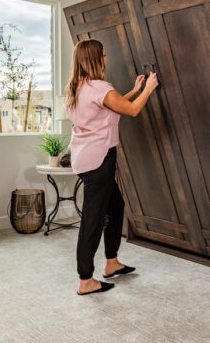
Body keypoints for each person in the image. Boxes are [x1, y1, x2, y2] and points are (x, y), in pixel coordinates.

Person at [64, 39, 159, 296]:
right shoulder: (100, 87)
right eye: (103, 55)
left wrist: (135, 89)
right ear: (94, 59)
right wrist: (149, 88)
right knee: (93, 219)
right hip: (100, 160)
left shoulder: (77, 88)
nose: (106, 59)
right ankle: (86, 280)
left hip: (85, 158)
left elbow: (111, 108)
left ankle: (111, 262)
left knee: (115, 206)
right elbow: (132, 110)